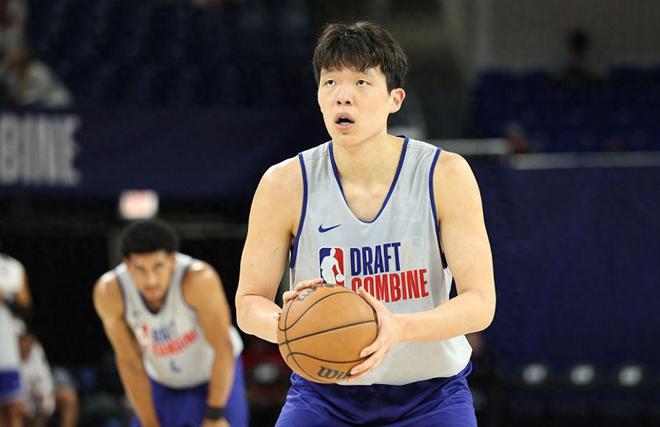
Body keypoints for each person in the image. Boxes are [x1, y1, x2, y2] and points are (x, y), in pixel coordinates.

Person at [235, 21, 496, 426]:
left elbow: (480, 303)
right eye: (330, 82)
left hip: (430, 396)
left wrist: (399, 328)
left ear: (395, 99)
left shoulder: (445, 174)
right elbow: (249, 304)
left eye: (361, 82)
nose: (343, 95)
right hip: (323, 396)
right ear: (319, 97)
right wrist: (290, 325)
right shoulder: (284, 183)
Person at [93, 219, 248, 427]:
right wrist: (150, 423)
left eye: (158, 267)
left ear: (173, 260)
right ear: (127, 266)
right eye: (140, 269)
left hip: (214, 377)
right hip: (163, 381)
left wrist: (214, 414)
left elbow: (223, 348)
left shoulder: (198, 280)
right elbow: (130, 362)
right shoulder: (110, 292)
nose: (151, 280)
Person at [0, 250, 32, 427]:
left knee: (13, 406)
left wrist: (7, 297)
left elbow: (25, 302)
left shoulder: (12, 266)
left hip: (6, 347)